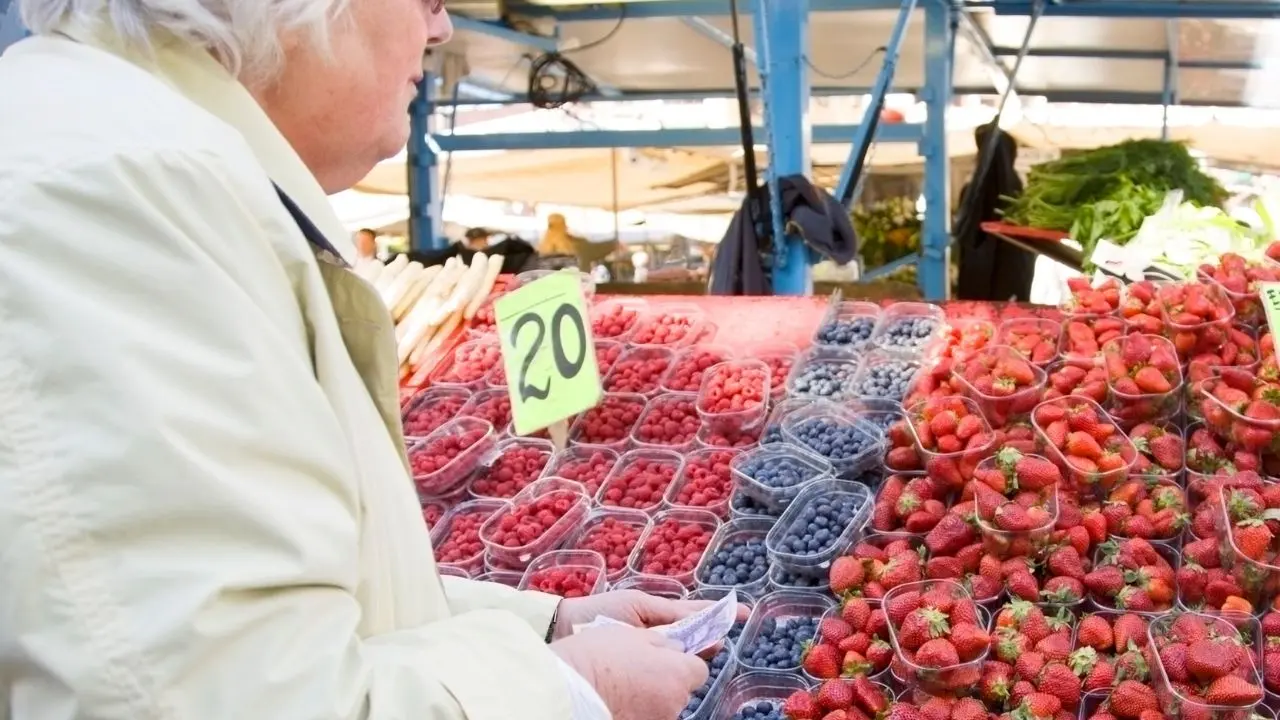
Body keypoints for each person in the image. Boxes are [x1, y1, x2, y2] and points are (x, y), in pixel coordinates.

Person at [0, 2, 714, 720]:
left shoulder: (144, 159)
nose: (441, 31)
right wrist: (570, 686)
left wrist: (546, 628)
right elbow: (208, 697)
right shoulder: (115, 197)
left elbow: (286, 605)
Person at [953, 123, 1037, 302]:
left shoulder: (971, 191)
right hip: (1013, 275)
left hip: (977, 277)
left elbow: (962, 234)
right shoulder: (1016, 190)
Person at [540, 212, 621, 271]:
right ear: (565, 225)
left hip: (550, 291)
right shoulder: (579, 245)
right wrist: (614, 244)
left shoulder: (541, 250)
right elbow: (597, 249)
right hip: (577, 289)